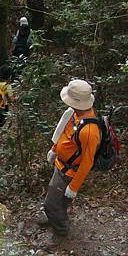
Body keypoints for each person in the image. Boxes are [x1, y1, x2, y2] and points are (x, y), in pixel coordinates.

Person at [39, 79, 101, 237]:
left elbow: (88, 162)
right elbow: (64, 133)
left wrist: (73, 187)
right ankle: (57, 216)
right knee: (58, 201)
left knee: (50, 204)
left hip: (69, 173)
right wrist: (54, 149)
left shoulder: (89, 130)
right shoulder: (74, 113)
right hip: (60, 165)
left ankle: (60, 231)